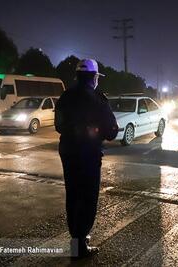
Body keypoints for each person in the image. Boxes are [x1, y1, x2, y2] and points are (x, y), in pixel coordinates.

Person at [54, 59, 118, 258]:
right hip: (89, 155)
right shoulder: (99, 99)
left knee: (72, 195)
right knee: (88, 197)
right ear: (94, 77)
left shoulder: (65, 96)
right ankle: (80, 245)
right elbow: (111, 131)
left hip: (67, 152)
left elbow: (58, 126)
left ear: (77, 76)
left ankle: (77, 237)